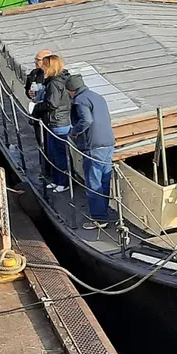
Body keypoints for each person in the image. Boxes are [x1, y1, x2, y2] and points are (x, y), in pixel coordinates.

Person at [67, 72, 114, 228]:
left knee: (93, 181)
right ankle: (104, 211)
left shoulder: (80, 100)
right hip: (108, 142)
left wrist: (74, 132)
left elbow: (86, 120)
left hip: (93, 145)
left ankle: (99, 218)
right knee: (104, 179)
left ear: (71, 90)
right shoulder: (97, 96)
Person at [31, 53, 73, 189]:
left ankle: (63, 182)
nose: (42, 67)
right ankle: (56, 180)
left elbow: (52, 103)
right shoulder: (56, 81)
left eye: (44, 65)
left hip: (57, 122)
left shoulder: (54, 83)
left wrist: (36, 107)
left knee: (59, 154)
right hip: (55, 121)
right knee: (53, 153)